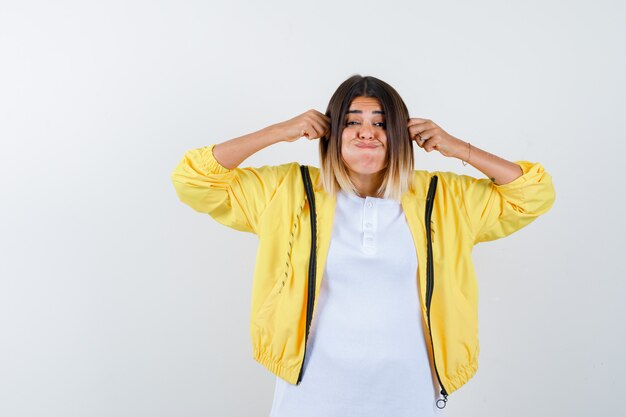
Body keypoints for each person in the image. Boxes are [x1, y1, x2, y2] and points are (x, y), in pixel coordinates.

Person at [171, 75, 556, 416]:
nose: (366, 132)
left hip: (410, 395)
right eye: (352, 121)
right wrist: (280, 131)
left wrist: (458, 148)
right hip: (311, 397)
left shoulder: (443, 197)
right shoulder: (287, 191)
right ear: (332, 133)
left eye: (381, 123)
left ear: (403, 136)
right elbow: (193, 178)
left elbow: (533, 194)